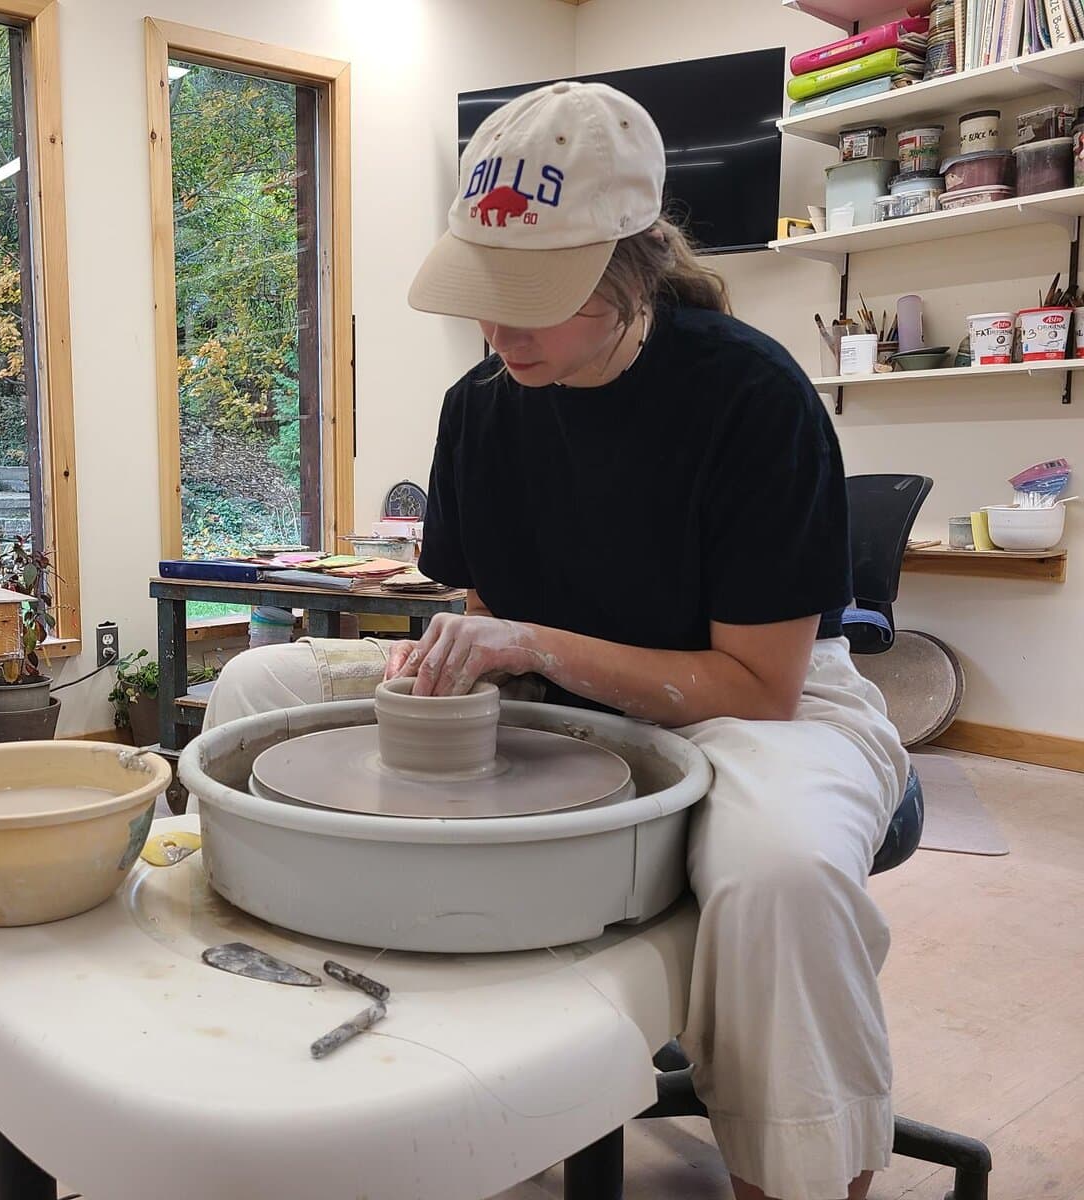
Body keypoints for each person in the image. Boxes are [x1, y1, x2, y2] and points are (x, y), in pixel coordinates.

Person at [202, 81, 909, 1200]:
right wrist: (453, 655)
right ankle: (262, 1068)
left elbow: (759, 684)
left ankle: (801, 1170)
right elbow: (493, 608)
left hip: (760, 700)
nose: (497, 330)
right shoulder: (481, 404)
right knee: (255, 687)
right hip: (558, 678)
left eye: (532, 298)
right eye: (485, 295)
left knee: (782, 874)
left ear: (631, 269)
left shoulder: (749, 397)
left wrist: (528, 642)